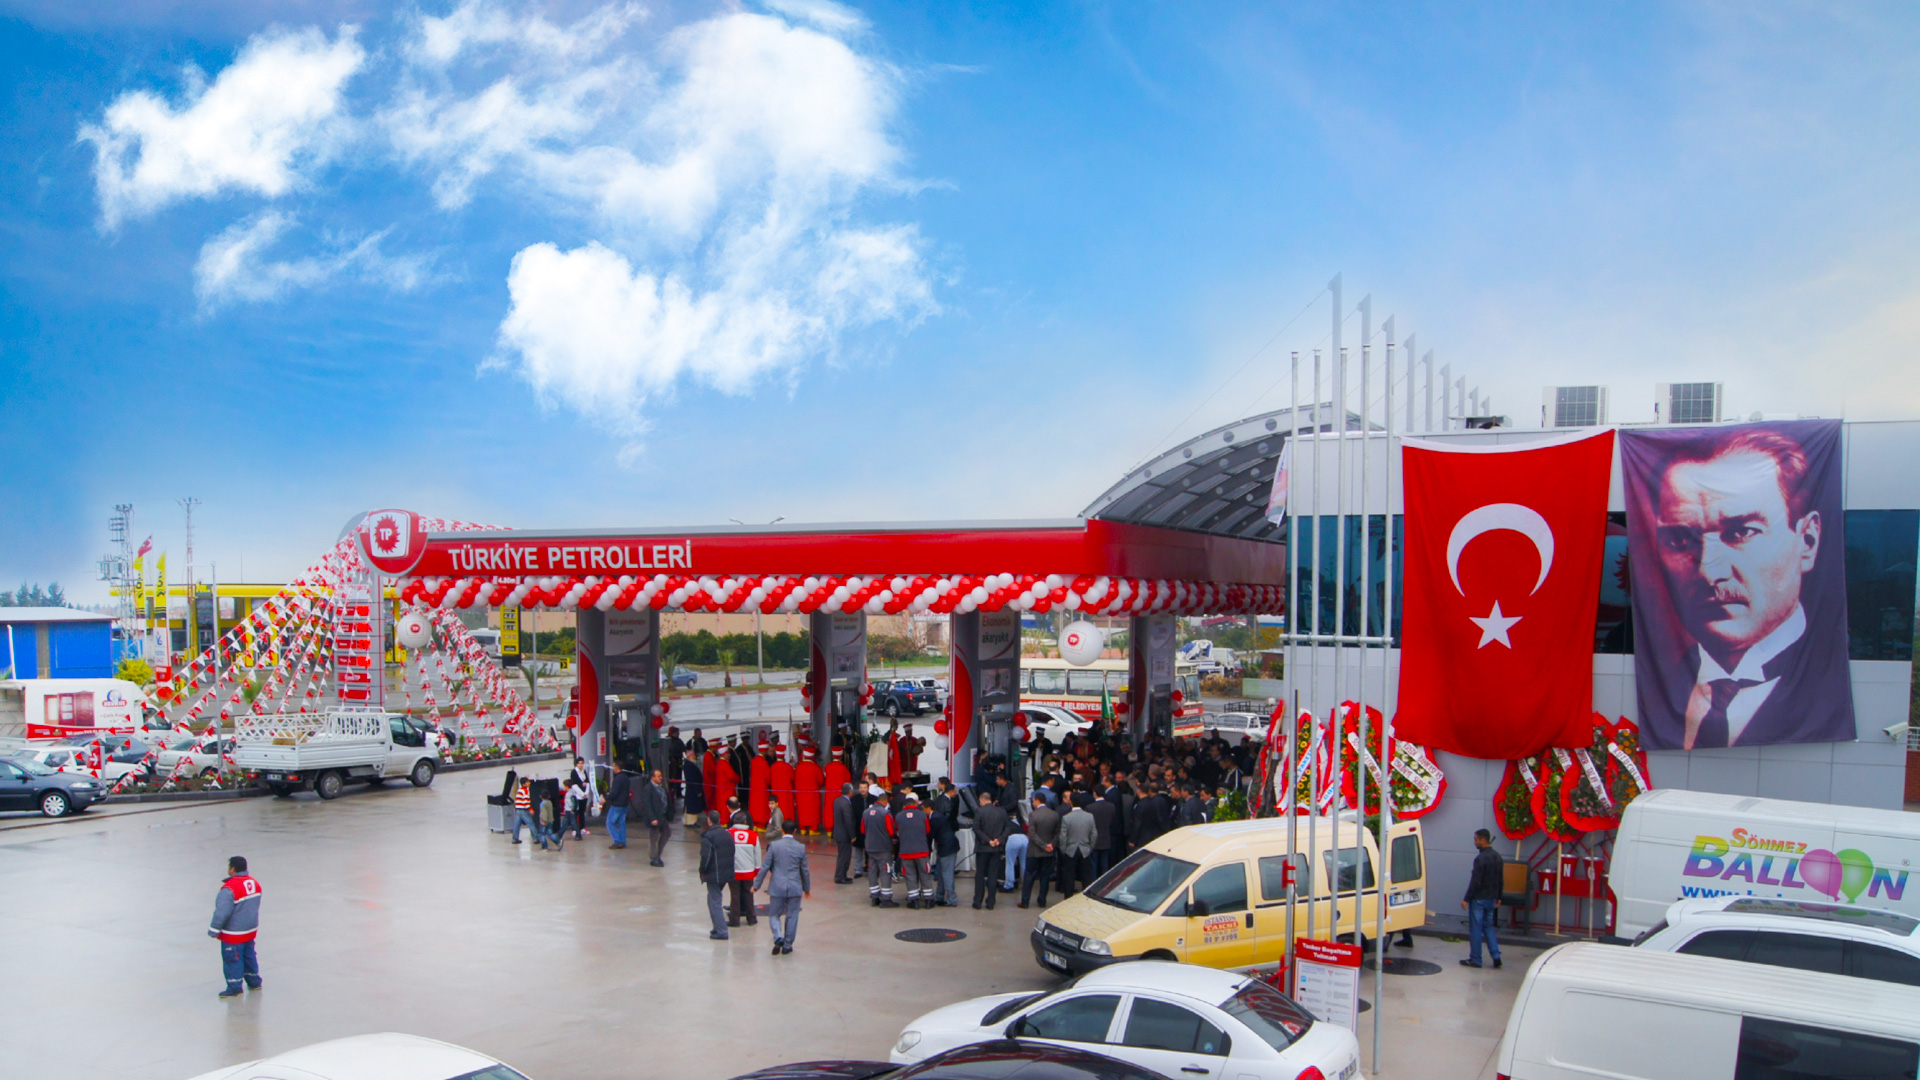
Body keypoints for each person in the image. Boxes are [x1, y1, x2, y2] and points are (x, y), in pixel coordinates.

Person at [1645, 427, 1849, 748]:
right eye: (1681, 540)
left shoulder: (1832, 685)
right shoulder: (1657, 686)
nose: (1709, 572)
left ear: (1807, 540)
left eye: (1742, 532)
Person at [208, 855, 263, 998]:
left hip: (234, 933)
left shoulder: (229, 889)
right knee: (249, 955)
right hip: (250, 930)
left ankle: (234, 987)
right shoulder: (254, 883)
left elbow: (222, 912)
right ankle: (254, 981)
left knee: (232, 959)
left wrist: (214, 930)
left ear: (232, 869)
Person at [754, 822, 811, 955]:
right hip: (795, 886)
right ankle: (787, 944)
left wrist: (756, 885)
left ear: (782, 831)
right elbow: (805, 871)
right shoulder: (801, 848)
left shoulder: (774, 846)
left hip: (777, 886)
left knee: (774, 914)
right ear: (795, 830)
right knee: (792, 916)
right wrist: (806, 888)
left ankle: (778, 936)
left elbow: (765, 867)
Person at [1461, 828, 1503, 969]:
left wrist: (1466, 898)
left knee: (1476, 929)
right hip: (1491, 898)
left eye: (1475, 839)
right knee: (1488, 926)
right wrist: (1499, 896)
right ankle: (1496, 956)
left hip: (1479, 898)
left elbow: (1476, 882)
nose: (1474, 842)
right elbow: (1500, 879)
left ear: (1483, 840)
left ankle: (1476, 959)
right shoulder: (1497, 857)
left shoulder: (1480, 859)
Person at [971, 790, 1011, 910]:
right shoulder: (1001, 811)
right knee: (993, 875)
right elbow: (1008, 828)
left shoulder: (979, 811)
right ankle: (991, 902)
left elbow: (976, 829)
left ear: (982, 800)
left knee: (980, 875)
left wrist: (988, 841)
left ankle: (978, 901)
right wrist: (999, 840)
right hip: (996, 848)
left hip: (983, 848)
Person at [1020, 793, 1061, 910]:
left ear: (1037, 801)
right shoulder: (1054, 815)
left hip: (1034, 851)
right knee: (1045, 877)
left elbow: (1032, 835)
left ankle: (1025, 901)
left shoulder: (1033, 815)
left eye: (1033, 801)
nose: (1033, 803)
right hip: (1049, 851)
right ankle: (1042, 900)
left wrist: (1043, 845)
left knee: (1029, 876)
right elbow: (1058, 833)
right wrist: (1051, 845)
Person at [698, 811, 734, 941]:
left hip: (714, 874)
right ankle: (717, 926)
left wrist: (702, 871)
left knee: (714, 902)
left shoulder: (708, 837)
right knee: (713, 899)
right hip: (726, 873)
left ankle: (721, 930)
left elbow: (705, 858)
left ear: (709, 821)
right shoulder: (727, 834)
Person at [895, 791, 934, 909]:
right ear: (915, 804)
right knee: (925, 874)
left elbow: (897, 831)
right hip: (921, 851)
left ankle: (914, 901)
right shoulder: (922, 815)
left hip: (906, 852)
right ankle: (928, 900)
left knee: (910, 875)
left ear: (904, 806)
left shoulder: (899, 816)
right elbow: (927, 830)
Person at [862, 784, 897, 907]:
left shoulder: (866, 813)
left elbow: (862, 830)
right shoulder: (885, 813)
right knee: (885, 871)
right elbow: (891, 831)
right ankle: (886, 898)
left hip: (870, 847)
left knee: (872, 871)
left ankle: (874, 897)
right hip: (883, 848)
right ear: (885, 801)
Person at [1058, 792, 1096, 898]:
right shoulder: (1089, 816)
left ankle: (1068, 897)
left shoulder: (1066, 818)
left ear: (1071, 802)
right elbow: (1094, 834)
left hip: (1070, 849)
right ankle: (1086, 898)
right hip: (1085, 848)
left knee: (1069, 876)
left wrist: (1063, 849)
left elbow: (1063, 836)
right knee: (1086, 877)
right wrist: (1090, 847)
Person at [729, 804, 761, 928]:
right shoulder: (753, 835)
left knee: (735, 895)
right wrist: (757, 869)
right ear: (746, 822)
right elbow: (757, 854)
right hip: (748, 871)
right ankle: (751, 918)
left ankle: (734, 920)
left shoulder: (729, 834)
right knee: (749, 895)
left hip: (733, 871)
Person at [930, 779, 961, 907]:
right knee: (947, 872)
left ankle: (941, 896)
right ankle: (948, 898)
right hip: (947, 842)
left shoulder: (939, 801)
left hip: (943, 843)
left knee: (943, 871)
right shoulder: (948, 804)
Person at [639, 769, 671, 867]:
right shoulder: (648, 789)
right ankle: (654, 858)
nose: (660, 778)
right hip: (654, 817)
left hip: (662, 816)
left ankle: (658, 854)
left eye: (661, 776)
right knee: (653, 838)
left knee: (667, 833)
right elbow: (647, 805)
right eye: (658, 776)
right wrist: (652, 818)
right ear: (652, 778)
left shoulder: (662, 788)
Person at [831, 782, 859, 884]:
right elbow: (848, 821)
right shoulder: (846, 804)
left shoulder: (837, 801)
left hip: (838, 833)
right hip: (844, 835)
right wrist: (852, 835)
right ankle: (840, 877)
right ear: (850, 792)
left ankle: (842, 875)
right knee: (844, 857)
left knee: (842, 856)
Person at [605, 762, 633, 850]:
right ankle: (623, 841)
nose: (613, 768)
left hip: (617, 804)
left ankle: (618, 841)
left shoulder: (617, 779)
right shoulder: (626, 778)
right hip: (625, 804)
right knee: (621, 823)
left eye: (613, 766)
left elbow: (615, 793)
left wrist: (606, 798)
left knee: (610, 822)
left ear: (617, 767)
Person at [563, 765, 593, 840]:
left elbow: (587, 782)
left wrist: (585, 793)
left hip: (571, 808)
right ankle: (576, 832)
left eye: (582, 763)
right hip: (573, 805)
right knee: (571, 821)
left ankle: (579, 831)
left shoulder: (584, 771)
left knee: (577, 817)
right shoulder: (574, 773)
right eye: (580, 763)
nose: (581, 765)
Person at [681, 748, 707, 828]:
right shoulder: (689, 765)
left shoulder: (689, 764)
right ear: (690, 756)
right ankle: (690, 822)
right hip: (693, 790)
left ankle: (693, 821)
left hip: (693, 789)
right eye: (694, 755)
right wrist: (698, 791)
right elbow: (692, 779)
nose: (695, 756)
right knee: (692, 806)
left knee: (694, 806)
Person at [509, 777, 537, 845]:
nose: (529, 783)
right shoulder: (526, 791)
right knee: (531, 823)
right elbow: (525, 801)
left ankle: (514, 838)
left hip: (518, 809)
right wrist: (530, 809)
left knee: (517, 825)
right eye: (527, 782)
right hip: (523, 810)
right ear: (524, 784)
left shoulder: (520, 790)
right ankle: (536, 838)